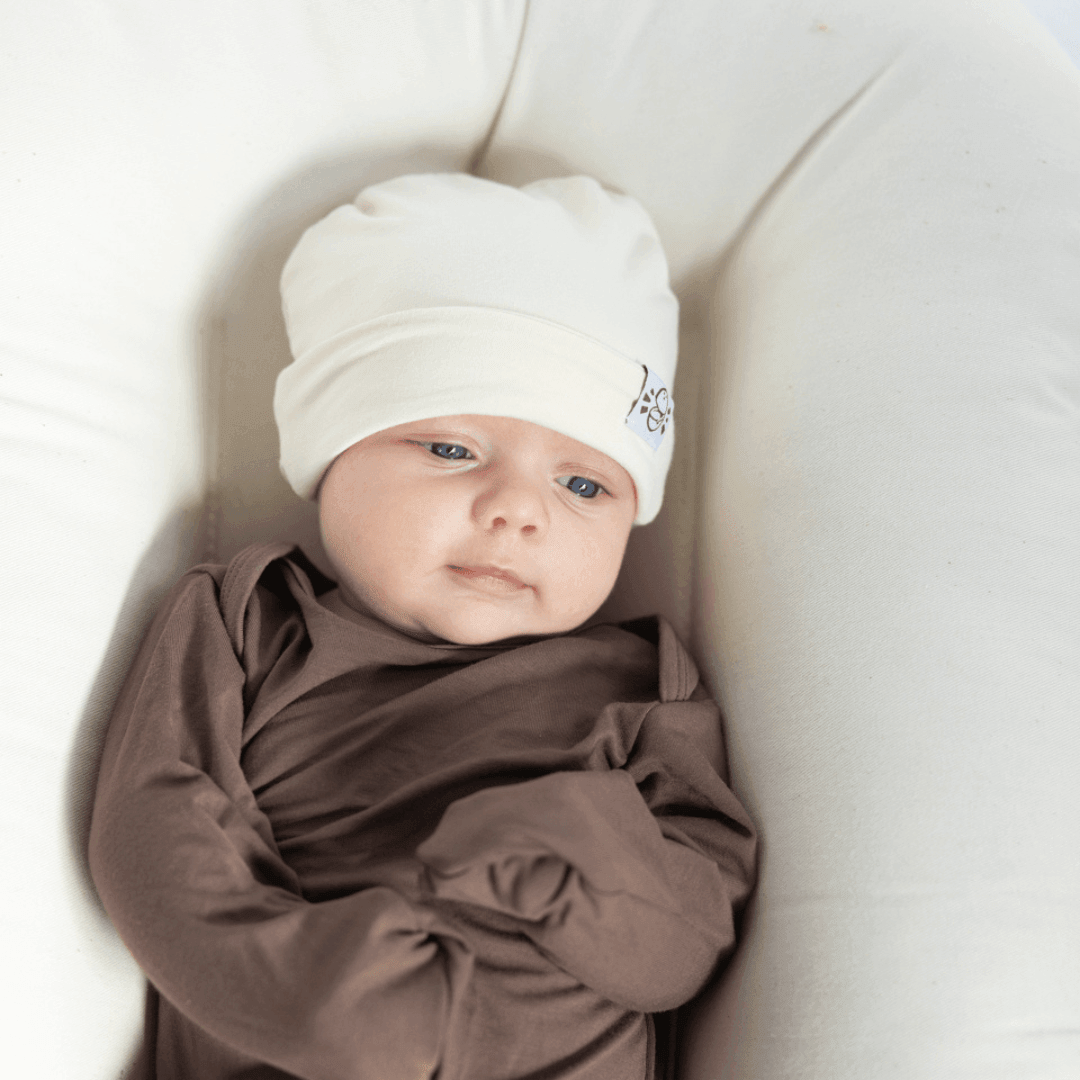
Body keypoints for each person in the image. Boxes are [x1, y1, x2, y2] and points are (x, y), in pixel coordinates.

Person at [88, 172, 757, 1080]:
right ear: (332, 453)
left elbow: (687, 941)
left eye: (583, 484)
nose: (518, 510)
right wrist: (305, 990)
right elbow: (153, 825)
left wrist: (581, 858)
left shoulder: (646, 688)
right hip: (300, 1027)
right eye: (451, 449)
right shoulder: (252, 620)